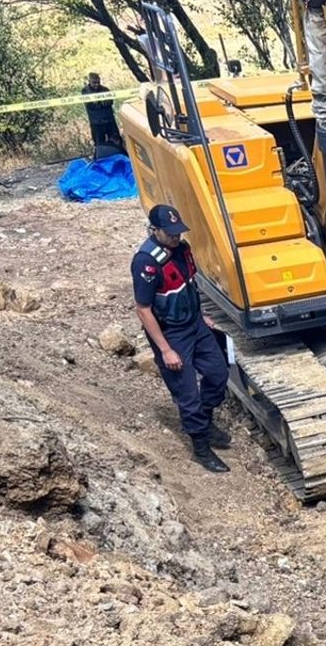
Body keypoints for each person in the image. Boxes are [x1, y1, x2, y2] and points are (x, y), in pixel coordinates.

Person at [130, 204, 231, 473]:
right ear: (155, 230)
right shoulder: (146, 262)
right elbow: (143, 309)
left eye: (178, 232)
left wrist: (202, 316)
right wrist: (165, 350)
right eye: (170, 233)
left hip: (195, 324)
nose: (176, 237)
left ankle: (206, 422)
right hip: (171, 333)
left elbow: (189, 286)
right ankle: (200, 447)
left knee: (218, 373)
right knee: (187, 393)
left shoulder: (182, 250)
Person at [82, 73, 121, 156]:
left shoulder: (105, 89)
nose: (96, 85)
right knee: (99, 144)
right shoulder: (85, 91)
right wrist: (101, 103)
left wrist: (100, 103)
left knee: (116, 141)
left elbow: (110, 102)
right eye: (94, 83)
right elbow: (91, 105)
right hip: (96, 122)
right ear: (89, 82)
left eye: (98, 82)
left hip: (109, 120)